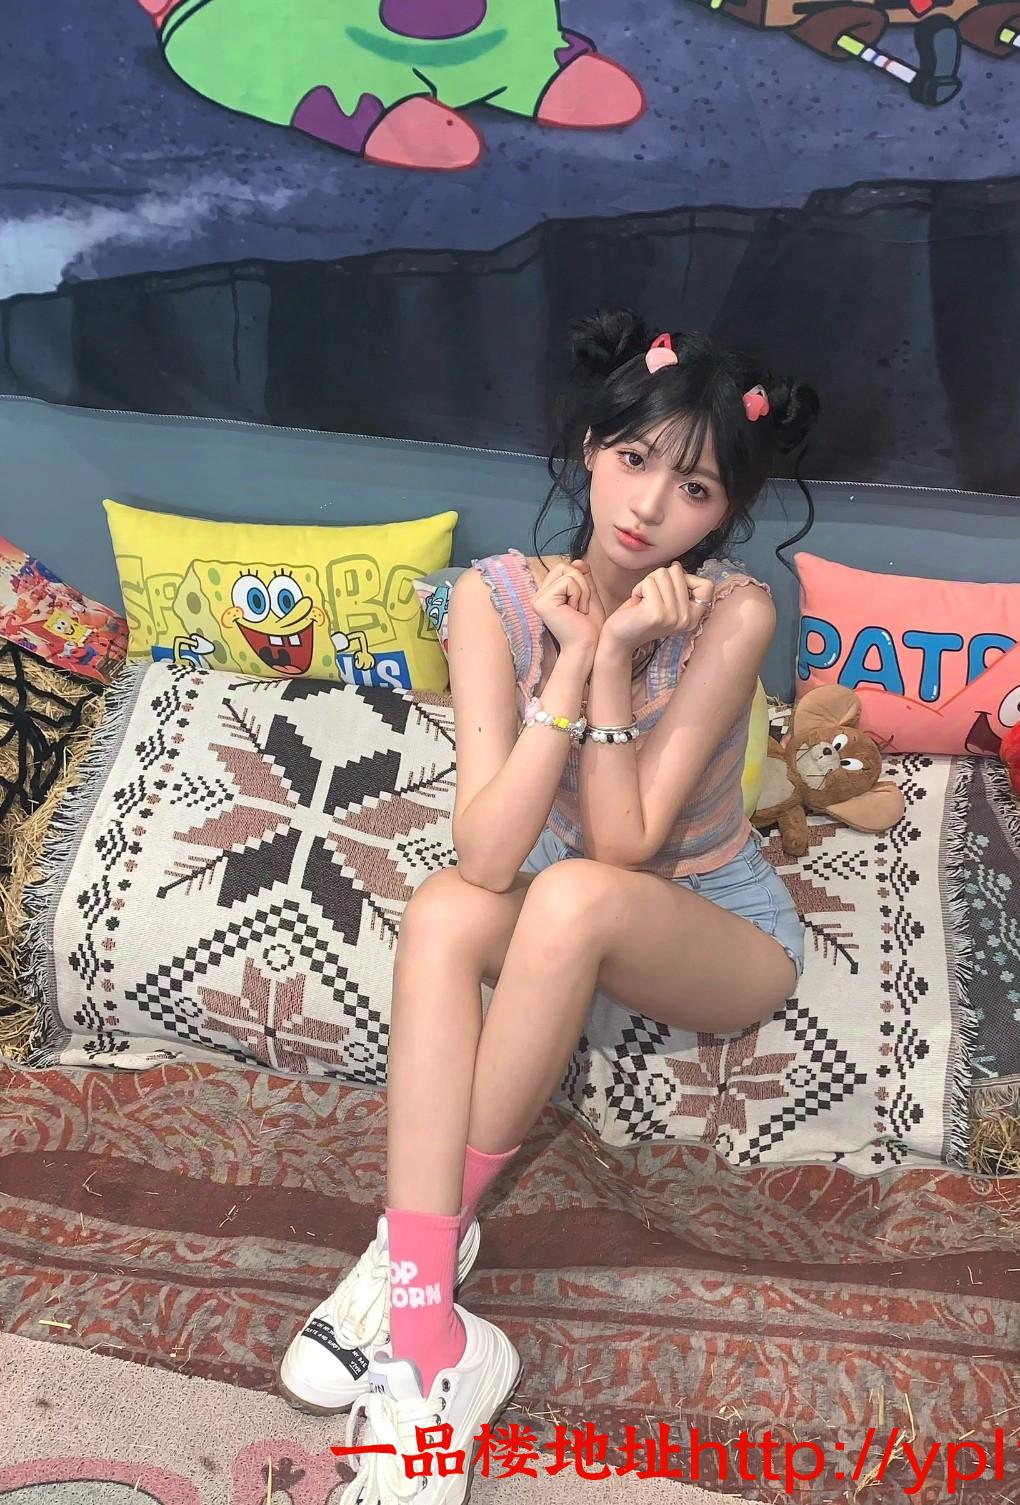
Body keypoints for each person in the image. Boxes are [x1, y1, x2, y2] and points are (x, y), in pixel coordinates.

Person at [278, 310, 819, 1504]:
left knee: (574, 890)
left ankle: (412, 1253)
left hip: (715, 922)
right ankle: (432, 1328)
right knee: (442, 909)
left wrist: (618, 653)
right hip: (566, 886)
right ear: (590, 447)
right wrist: (569, 659)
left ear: (724, 512)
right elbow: (484, 857)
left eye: (694, 487)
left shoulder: (734, 613)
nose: (649, 505)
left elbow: (626, 843)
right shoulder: (493, 600)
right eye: (634, 459)